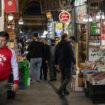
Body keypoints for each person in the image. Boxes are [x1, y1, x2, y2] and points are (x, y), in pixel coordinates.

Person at [0, 31, 19, 104]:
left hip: (3, 81)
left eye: (3, 40)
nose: (0, 42)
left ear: (7, 41)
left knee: (2, 100)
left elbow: (15, 67)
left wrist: (16, 82)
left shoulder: (11, 52)